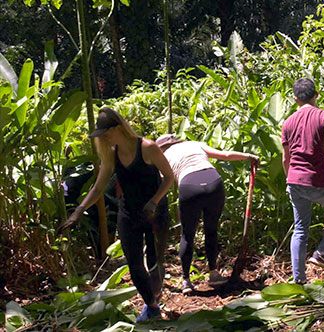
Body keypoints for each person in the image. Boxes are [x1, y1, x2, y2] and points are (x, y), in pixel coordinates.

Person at [58, 108, 174, 323]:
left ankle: (156, 291)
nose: (104, 137)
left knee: (154, 261)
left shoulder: (147, 147)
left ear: (118, 128)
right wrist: (77, 211)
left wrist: (154, 201)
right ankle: (152, 306)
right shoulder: (111, 153)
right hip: (129, 213)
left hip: (155, 211)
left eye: (107, 132)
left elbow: (169, 177)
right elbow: (98, 187)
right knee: (134, 263)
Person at [156, 134, 258, 293]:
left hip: (189, 186)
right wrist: (249, 156)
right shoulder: (194, 144)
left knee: (187, 235)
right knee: (211, 230)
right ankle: (213, 274)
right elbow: (225, 155)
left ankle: (186, 281)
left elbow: (160, 181)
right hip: (213, 182)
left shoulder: (164, 157)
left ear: (161, 148)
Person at [282, 78, 324, 284]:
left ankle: (298, 279)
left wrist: (290, 178)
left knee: (300, 228)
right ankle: (322, 252)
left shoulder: (288, 123)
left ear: (295, 99)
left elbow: (285, 159)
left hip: (294, 180)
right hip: (317, 180)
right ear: (317, 95)